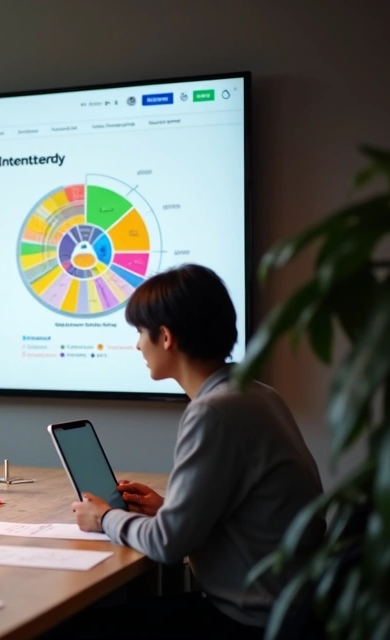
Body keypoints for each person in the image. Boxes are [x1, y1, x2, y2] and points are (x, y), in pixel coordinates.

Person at [63, 264, 325, 639]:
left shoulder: (213, 412)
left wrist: (103, 518)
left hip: (248, 620)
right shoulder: (258, 394)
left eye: (140, 332)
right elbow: (245, 508)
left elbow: (167, 545)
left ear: (165, 337)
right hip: (291, 608)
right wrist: (169, 509)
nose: (138, 344)